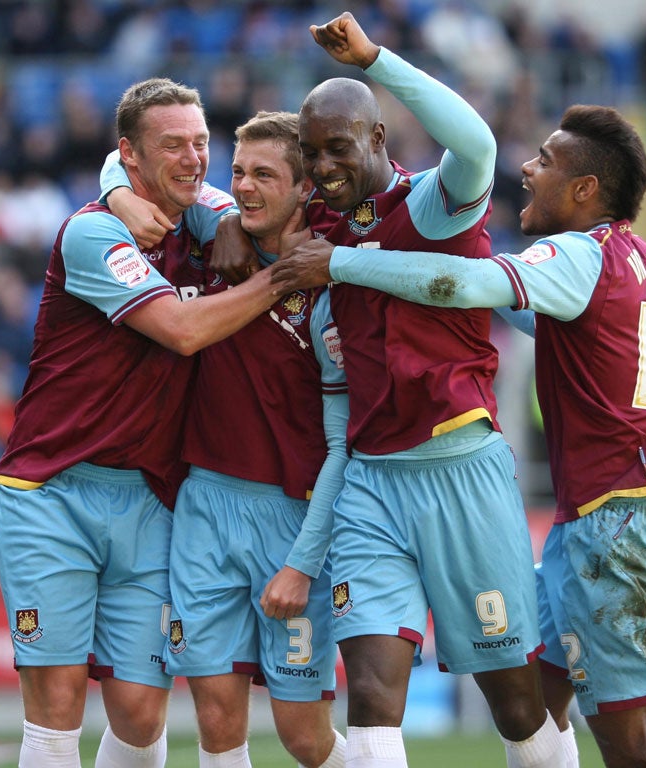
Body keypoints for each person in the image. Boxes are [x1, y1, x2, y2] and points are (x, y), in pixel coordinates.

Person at [271, 104, 646, 768]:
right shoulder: (630, 257)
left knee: (634, 749)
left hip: (615, 519)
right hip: (608, 511)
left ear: (585, 191)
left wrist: (349, 263)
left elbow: (470, 283)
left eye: (546, 161)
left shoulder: (576, 251)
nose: (529, 168)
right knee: (534, 709)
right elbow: (502, 306)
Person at [236, 12, 562, 768]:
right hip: (371, 484)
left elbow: (477, 143)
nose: (322, 168)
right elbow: (250, 200)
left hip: (459, 470)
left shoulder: (433, 208)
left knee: (518, 709)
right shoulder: (319, 218)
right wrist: (226, 224)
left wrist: (377, 59)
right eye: (311, 153)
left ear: (378, 138)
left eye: (338, 148)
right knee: (374, 703)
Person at [0, 77, 279, 768]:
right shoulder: (95, 230)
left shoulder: (206, 216)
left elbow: (246, 203)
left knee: (143, 712)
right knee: (57, 706)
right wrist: (283, 279)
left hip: (151, 497)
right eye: (173, 145)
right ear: (129, 154)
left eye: (202, 143)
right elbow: (181, 331)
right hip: (53, 492)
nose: (193, 158)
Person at [100, 111, 349, 768]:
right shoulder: (214, 229)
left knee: (303, 736)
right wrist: (122, 195)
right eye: (237, 172)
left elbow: (343, 445)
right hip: (204, 506)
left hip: (291, 519)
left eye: (264, 175)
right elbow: (124, 162)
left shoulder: (331, 284)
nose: (242, 188)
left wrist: (303, 561)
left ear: (305, 190)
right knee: (214, 715)